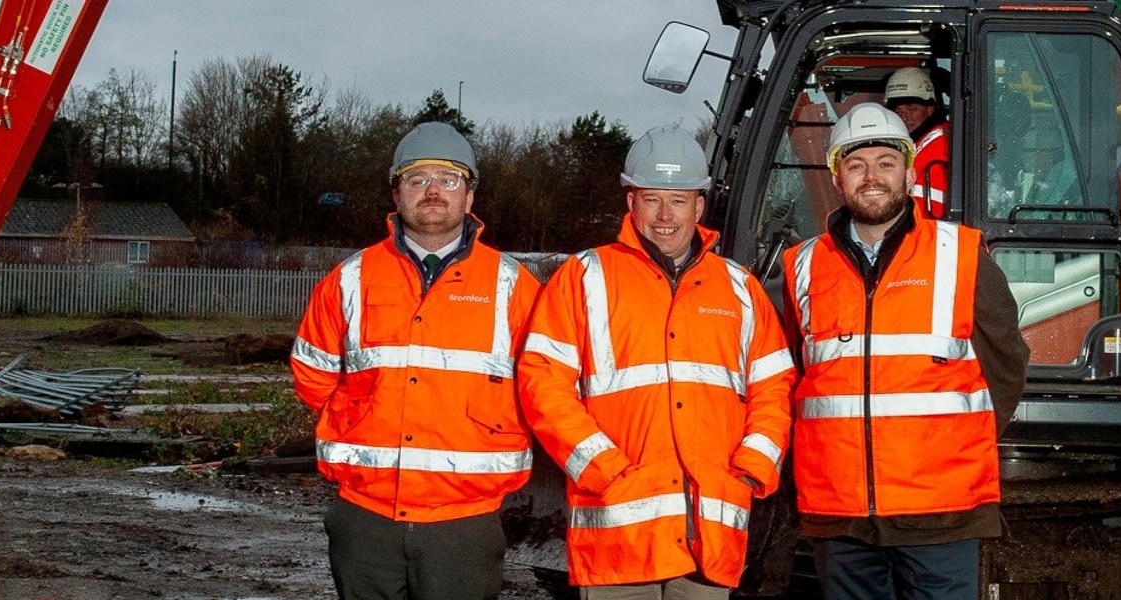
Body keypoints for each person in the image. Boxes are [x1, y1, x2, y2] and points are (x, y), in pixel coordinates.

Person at [519, 126, 796, 599]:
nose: (665, 216)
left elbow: (774, 387)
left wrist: (751, 467)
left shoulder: (739, 289)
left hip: (707, 539)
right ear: (631, 203)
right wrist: (601, 466)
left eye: (679, 200)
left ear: (699, 206)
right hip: (618, 537)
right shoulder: (584, 279)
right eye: (652, 199)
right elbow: (542, 383)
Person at [784, 102, 1030, 600]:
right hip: (841, 514)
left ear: (910, 173)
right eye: (856, 165)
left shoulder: (960, 256)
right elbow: (789, 377)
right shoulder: (802, 266)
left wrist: (950, 449)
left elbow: (1004, 366)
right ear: (837, 177)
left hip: (940, 511)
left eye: (885, 163)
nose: (871, 177)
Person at [289, 121, 541, 600]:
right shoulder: (351, 278)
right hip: (365, 516)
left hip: (465, 520)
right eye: (417, 179)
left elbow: (542, 384)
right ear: (396, 193)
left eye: (448, 180)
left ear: (469, 197)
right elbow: (312, 372)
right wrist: (359, 421)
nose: (432, 191)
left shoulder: (514, 286)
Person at [885, 66, 951, 219]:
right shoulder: (918, 144)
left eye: (911, 109)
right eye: (898, 111)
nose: (904, 117)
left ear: (930, 109)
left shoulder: (940, 144)